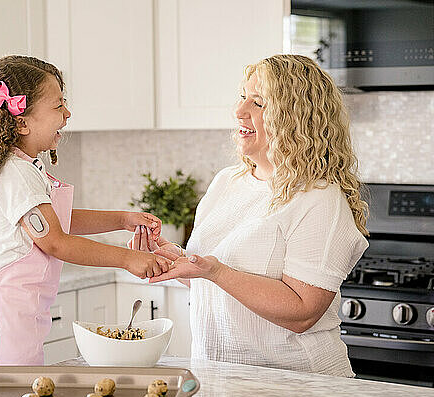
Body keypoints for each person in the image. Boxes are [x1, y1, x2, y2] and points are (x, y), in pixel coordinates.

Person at [130, 54, 369, 377]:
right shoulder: (228, 182)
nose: (238, 111)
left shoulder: (318, 196)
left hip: (299, 385)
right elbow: (216, 282)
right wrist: (177, 262)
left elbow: (303, 312)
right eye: (243, 97)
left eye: (258, 103)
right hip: (221, 378)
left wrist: (216, 271)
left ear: (294, 118)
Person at [0, 55, 170, 366]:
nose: (67, 113)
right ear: (22, 121)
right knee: (11, 391)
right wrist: (128, 259)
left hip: (8, 306)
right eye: (58, 106)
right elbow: (55, 241)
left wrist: (122, 220)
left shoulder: (25, 166)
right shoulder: (17, 173)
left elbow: (57, 222)